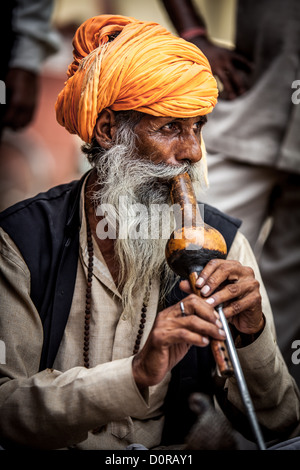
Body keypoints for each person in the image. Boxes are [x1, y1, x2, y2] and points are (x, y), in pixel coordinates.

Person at [0, 14, 299, 451]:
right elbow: (5, 408)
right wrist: (136, 374)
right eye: (170, 128)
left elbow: (282, 421)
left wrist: (249, 335)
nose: (193, 152)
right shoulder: (21, 240)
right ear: (107, 131)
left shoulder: (221, 243)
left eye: (198, 127)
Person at [162, 0, 300, 387]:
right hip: (248, 106)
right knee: (183, 257)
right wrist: (194, 36)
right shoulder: (194, 149)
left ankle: (257, 414)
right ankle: (169, 399)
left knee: (286, 298)